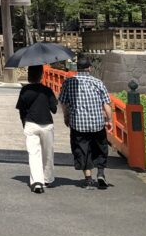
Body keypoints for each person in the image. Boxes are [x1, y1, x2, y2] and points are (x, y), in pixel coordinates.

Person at [59, 56, 113, 189]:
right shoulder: (97, 82)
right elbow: (106, 104)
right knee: (101, 148)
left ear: (77, 68)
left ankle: (88, 179)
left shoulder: (68, 82)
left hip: (78, 124)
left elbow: (64, 103)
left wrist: (66, 117)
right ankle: (100, 173)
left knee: (82, 150)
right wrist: (109, 120)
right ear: (89, 68)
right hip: (97, 123)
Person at [16, 65, 58, 193]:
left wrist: (24, 123)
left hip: (31, 123)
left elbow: (21, 109)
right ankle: (48, 178)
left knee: (34, 153)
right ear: (41, 75)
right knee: (48, 153)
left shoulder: (25, 91)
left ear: (29, 75)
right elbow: (54, 110)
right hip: (46, 124)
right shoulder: (47, 90)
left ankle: (37, 182)